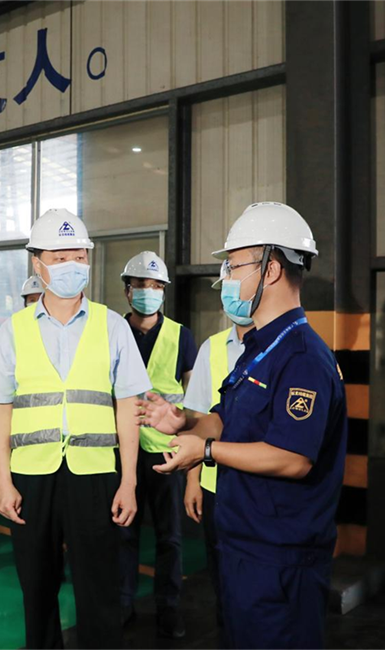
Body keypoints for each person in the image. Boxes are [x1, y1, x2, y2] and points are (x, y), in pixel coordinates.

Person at [140, 202, 347, 650]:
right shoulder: (258, 348)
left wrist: (205, 452)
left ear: (270, 269)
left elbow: (293, 458)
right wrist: (186, 421)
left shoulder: (303, 357)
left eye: (234, 266)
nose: (227, 279)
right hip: (243, 547)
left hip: (280, 558)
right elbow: (226, 419)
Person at [0, 208, 151, 650]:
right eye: (58, 258)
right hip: (31, 477)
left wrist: (129, 481)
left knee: (100, 590)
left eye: (78, 255)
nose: (71, 265)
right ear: (37, 264)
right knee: (37, 590)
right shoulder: (14, 330)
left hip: (95, 476)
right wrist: (3, 481)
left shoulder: (112, 326)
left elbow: (128, 407)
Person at [117, 251, 197, 638]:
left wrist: (191, 457)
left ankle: (169, 607)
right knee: (123, 532)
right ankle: (123, 604)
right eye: (140, 285)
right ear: (127, 290)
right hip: (122, 451)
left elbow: (194, 400)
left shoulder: (182, 336)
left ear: (164, 291)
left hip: (167, 452)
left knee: (170, 536)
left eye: (155, 285)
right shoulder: (112, 332)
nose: (147, 291)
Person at [181, 264, 254, 647]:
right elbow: (196, 419)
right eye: (226, 286)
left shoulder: (279, 350)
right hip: (215, 486)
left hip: (258, 487)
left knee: (256, 584)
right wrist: (193, 480)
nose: (231, 295)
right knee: (221, 577)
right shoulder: (211, 348)